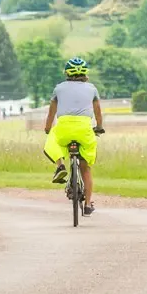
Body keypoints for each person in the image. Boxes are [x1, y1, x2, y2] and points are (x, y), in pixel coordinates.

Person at [43, 56, 104, 215]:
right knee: (86, 167)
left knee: (53, 138)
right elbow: (98, 111)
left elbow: (52, 112)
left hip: (64, 127)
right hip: (84, 129)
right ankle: (89, 204)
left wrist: (48, 128)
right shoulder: (92, 89)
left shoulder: (58, 88)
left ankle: (60, 165)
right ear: (86, 73)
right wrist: (99, 127)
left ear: (67, 73)